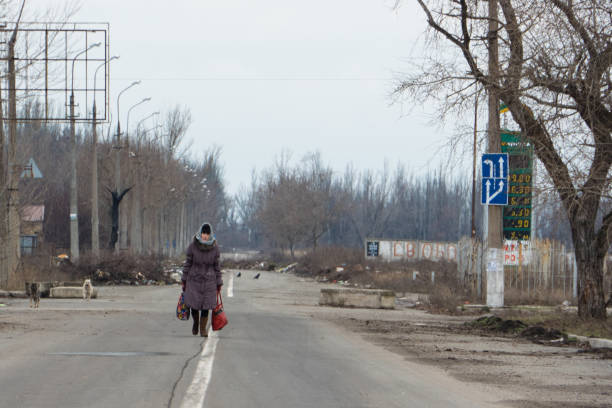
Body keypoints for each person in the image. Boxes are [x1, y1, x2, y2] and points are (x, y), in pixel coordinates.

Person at [181, 222, 223, 337]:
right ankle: (196, 322)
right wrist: (184, 278)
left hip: (209, 280)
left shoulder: (215, 248)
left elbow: (217, 267)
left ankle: (203, 329)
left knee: (206, 306)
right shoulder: (193, 246)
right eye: (204, 233)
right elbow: (188, 263)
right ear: (200, 233)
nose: (205, 235)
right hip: (194, 279)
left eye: (207, 233)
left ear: (210, 234)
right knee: (194, 305)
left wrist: (219, 282)